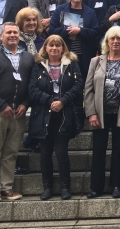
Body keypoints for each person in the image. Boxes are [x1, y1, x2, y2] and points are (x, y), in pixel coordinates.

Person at [0, 23, 35, 202]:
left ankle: (6, 187)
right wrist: (2, 105)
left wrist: (25, 104)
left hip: (18, 113)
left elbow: (32, 86)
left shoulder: (28, 58)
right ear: (1, 36)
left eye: (15, 33)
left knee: (11, 152)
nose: (12, 35)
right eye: (8, 32)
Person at [84, 26, 120, 199]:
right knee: (98, 149)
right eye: (112, 39)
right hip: (100, 114)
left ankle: (117, 185)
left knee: (118, 150)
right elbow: (88, 90)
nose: (115, 41)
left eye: (119, 39)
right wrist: (91, 113)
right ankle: (96, 187)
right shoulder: (96, 61)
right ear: (107, 42)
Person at [27, 35, 84, 201]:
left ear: (62, 48)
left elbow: (78, 85)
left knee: (61, 153)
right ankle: (47, 188)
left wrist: (63, 101)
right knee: (45, 153)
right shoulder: (38, 66)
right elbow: (32, 90)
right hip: (43, 116)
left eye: (57, 46)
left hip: (64, 116)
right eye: (51, 45)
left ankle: (66, 187)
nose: (54, 48)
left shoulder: (71, 65)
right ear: (45, 48)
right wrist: (50, 101)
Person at [49, 0, 100, 80]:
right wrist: (66, 31)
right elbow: (51, 30)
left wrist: (80, 31)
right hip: (65, 54)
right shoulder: (60, 10)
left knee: (82, 81)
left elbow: (95, 32)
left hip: (84, 55)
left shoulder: (90, 12)